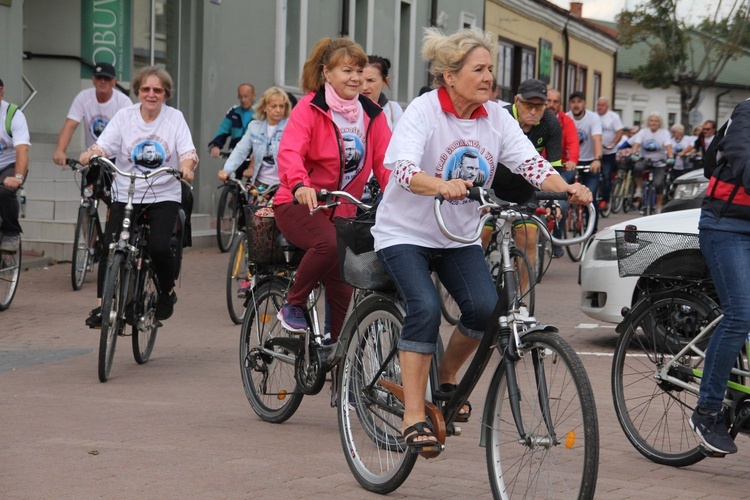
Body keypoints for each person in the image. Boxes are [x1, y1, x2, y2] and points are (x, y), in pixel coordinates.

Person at [371, 27, 591, 453]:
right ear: (450, 76)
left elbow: (529, 161)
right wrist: (438, 184)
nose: (489, 76)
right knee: (425, 307)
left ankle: (448, 378)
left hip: (458, 235)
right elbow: (399, 167)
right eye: (479, 69)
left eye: (491, 68)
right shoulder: (424, 110)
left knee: (487, 309)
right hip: (405, 232)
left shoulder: (496, 116)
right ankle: (414, 415)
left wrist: (565, 187)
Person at [273, 37, 392, 340]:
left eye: (360, 71)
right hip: (298, 203)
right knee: (326, 244)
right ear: (328, 74)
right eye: (347, 71)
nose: (355, 78)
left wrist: (403, 193)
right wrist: (300, 183)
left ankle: (337, 362)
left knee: (343, 287)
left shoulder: (372, 113)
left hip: (344, 209)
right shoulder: (310, 107)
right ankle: (293, 304)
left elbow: (387, 163)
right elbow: (290, 152)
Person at [80, 66, 198, 327]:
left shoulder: (174, 118)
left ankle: (166, 292)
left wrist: (187, 167)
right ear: (138, 91)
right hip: (126, 193)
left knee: (158, 247)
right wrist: (92, 153)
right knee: (110, 247)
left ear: (166, 93)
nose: (151, 94)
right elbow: (104, 144)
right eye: (146, 89)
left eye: (157, 90)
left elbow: (187, 151)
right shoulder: (125, 116)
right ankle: (104, 308)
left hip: (164, 193)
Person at [691, 98, 750, 455]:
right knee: (740, 314)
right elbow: (744, 165)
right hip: (725, 226)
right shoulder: (747, 113)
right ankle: (707, 410)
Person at [483, 78, 563, 279]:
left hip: (524, 190)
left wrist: (555, 202)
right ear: (517, 100)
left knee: (528, 238)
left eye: (540, 106)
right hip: (493, 188)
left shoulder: (551, 124)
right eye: (529, 105)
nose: (534, 111)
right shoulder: (501, 118)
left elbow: (554, 167)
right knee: (482, 236)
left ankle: (519, 300)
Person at [52, 61, 132, 194]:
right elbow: (70, 125)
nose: (103, 82)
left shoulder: (123, 102)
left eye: (107, 78)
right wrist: (60, 150)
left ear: (114, 82)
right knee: (87, 194)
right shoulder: (84, 97)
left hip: (116, 157)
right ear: (93, 80)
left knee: (115, 198)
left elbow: (130, 134)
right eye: (99, 78)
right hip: (92, 155)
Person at [218, 86, 291, 186]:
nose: (278, 110)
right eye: (274, 106)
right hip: (259, 184)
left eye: (281, 106)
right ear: (264, 107)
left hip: (283, 185)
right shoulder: (254, 127)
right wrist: (227, 170)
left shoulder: (291, 127)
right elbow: (240, 150)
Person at [0, 79, 30, 252]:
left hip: (10, 165)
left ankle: (11, 232)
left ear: (2, 94)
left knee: (4, 191)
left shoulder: (13, 114)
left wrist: (17, 177)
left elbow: (22, 149)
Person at [630, 112, 674, 212]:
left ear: (659, 123)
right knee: (637, 167)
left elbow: (668, 146)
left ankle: (658, 206)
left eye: (656, 121)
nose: (653, 123)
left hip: (659, 162)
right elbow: (636, 144)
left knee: (659, 183)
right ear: (648, 122)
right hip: (645, 159)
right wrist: (633, 153)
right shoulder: (643, 132)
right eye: (652, 120)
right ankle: (639, 189)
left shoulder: (664, 133)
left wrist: (670, 157)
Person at [208, 83, 256, 161]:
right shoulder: (233, 112)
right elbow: (223, 130)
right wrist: (216, 145)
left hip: (254, 157)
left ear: (254, 96)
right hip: (235, 154)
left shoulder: (262, 112)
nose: (243, 100)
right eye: (240, 97)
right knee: (226, 172)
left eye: (246, 96)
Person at [596, 97, 625, 211]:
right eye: (598, 105)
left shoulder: (614, 117)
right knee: (594, 175)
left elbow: (619, 132)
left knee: (606, 176)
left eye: (602, 105)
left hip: (609, 152)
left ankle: (605, 200)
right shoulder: (594, 117)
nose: (600, 107)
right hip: (596, 152)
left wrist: (613, 144)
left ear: (607, 107)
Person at [361, 55, 403, 129]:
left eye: (370, 80)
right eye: (361, 80)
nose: (364, 87)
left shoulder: (393, 110)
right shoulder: (350, 109)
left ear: (386, 82)